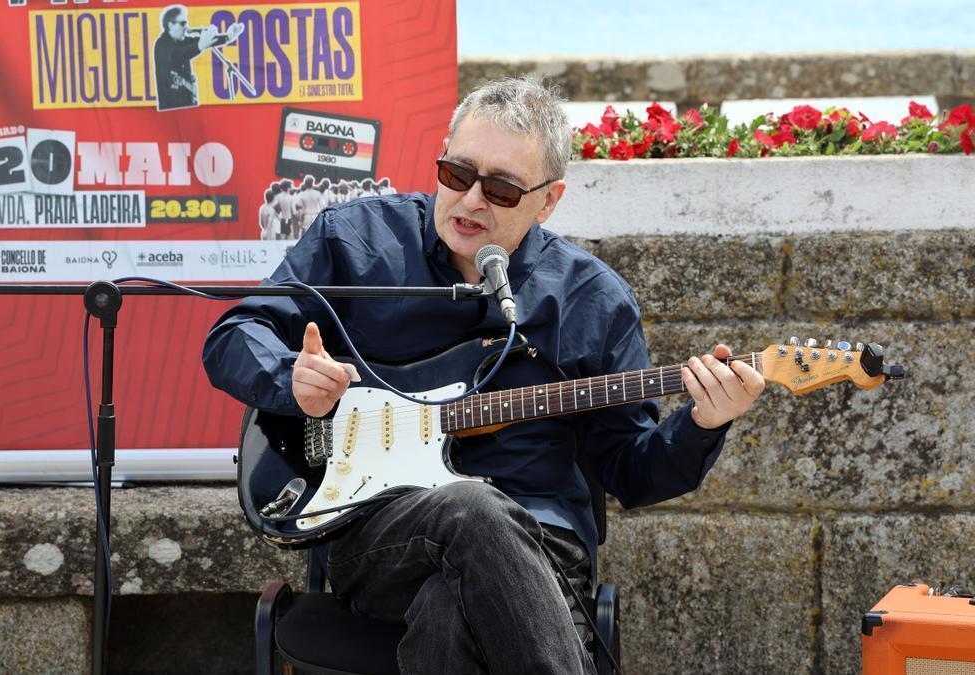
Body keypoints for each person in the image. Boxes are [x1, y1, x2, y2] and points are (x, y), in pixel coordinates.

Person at [203, 77, 764, 673]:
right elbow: (235, 335)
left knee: (451, 605)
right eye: (457, 174)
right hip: (383, 537)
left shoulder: (591, 299)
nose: (471, 201)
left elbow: (631, 471)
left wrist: (704, 422)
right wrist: (288, 375)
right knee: (472, 507)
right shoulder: (355, 241)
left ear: (549, 200)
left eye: (499, 189)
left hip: (543, 553)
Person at [153, 5, 244, 111]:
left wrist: (228, 37)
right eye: (183, 23)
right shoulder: (161, 44)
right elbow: (176, 55)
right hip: (171, 112)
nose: (187, 27)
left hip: (188, 106)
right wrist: (199, 46)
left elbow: (204, 42)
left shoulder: (183, 41)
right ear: (170, 25)